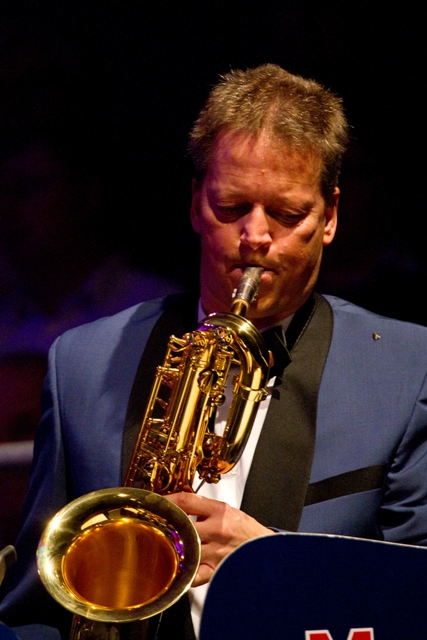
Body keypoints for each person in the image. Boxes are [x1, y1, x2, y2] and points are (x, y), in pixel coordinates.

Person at [2, 64, 427, 640]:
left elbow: (414, 601)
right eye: (231, 207)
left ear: (329, 216)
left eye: (287, 214)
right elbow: (34, 607)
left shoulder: (408, 369)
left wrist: (272, 561)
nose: (255, 237)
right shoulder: (80, 362)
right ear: (195, 202)